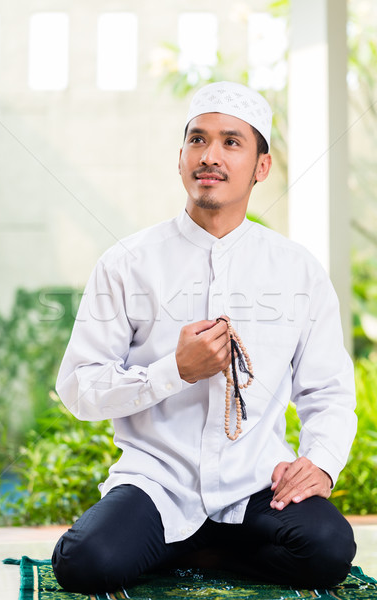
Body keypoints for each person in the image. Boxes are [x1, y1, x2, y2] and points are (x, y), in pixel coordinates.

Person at [52, 81, 357, 593]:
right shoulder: (129, 262)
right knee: (86, 563)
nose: (210, 155)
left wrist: (321, 464)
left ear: (261, 166)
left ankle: (198, 546)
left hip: (256, 485)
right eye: (198, 139)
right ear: (180, 158)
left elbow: (327, 392)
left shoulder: (296, 269)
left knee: (328, 551)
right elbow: (79, 388)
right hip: (157, 483)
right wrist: (174, 372)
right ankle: (183, 540)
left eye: (231, 142)